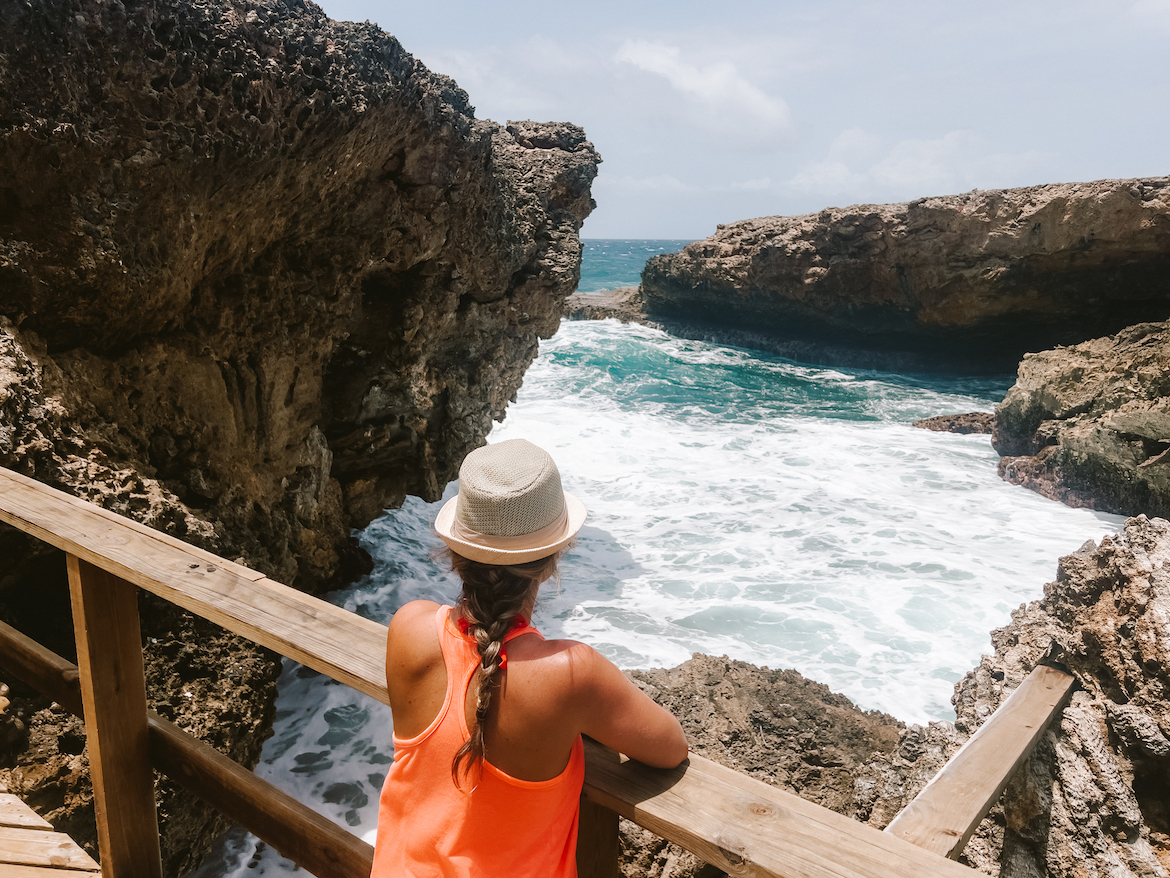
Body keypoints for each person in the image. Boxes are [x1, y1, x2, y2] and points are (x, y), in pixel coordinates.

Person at [371, 438, 688, 877]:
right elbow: (671, 747)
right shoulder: (571, 675)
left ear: (458, 551)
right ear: (552, 560)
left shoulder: (409, 627)